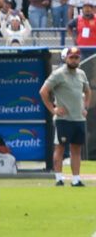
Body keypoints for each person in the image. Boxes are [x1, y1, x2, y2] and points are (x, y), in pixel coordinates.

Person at [41, 47, 88, 185]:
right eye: (71, 57)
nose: (74, 60)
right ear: (66, 58)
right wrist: (53, 109)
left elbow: (88, 91)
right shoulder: (59, 74)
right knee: (60, 148)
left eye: (76, 57)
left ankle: (76, 179)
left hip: (78, 118)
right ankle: (59, 178)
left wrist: (85, 106)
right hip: (63, 119)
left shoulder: (81, 74)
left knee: (76, 149)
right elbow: (43, 91)